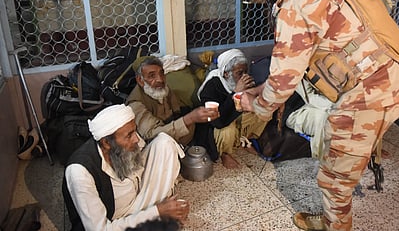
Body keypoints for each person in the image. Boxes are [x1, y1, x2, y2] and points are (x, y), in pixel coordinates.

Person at [240, 0, 399, 231]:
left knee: (333, 180)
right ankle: (333, 212)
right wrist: (266, 89)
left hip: (368, 96)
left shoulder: (295, 5)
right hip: (396, 81)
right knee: (339, 155)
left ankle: (333, 225)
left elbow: (283, 83)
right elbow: (297, 69)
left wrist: (256, 105)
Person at [62, 104, 190, 231]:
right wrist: (157, 211)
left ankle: (162, 213)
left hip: (137, 193)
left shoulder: (128, 140)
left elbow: (141, 164)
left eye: (135, 130)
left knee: (164, 143)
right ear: (106, 143)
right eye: (129, 135)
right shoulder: (80, 172)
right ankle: (161, 215)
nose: (136, 139)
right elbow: (99, 229)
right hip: (117, 218)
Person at [196, 49, 268, 168]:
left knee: (262, 111)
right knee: (227, 129)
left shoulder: (245, 82)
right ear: (226, 74)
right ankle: (225, 153)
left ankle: (245, 141)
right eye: (240, 73)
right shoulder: (211, 88)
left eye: (246, 72)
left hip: (235, 119)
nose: (244, 76)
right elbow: (217, 122)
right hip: (216, 127)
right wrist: (235, 93)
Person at [126, 56, 218, 146]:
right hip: (159, 145)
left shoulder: (163, 89)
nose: (160, 79)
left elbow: (177, 111)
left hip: (173, 132)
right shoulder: (136, 104)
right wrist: (189, 118)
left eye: (161, 73)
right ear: (140, 80)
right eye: (152, 76)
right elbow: (152, 135)